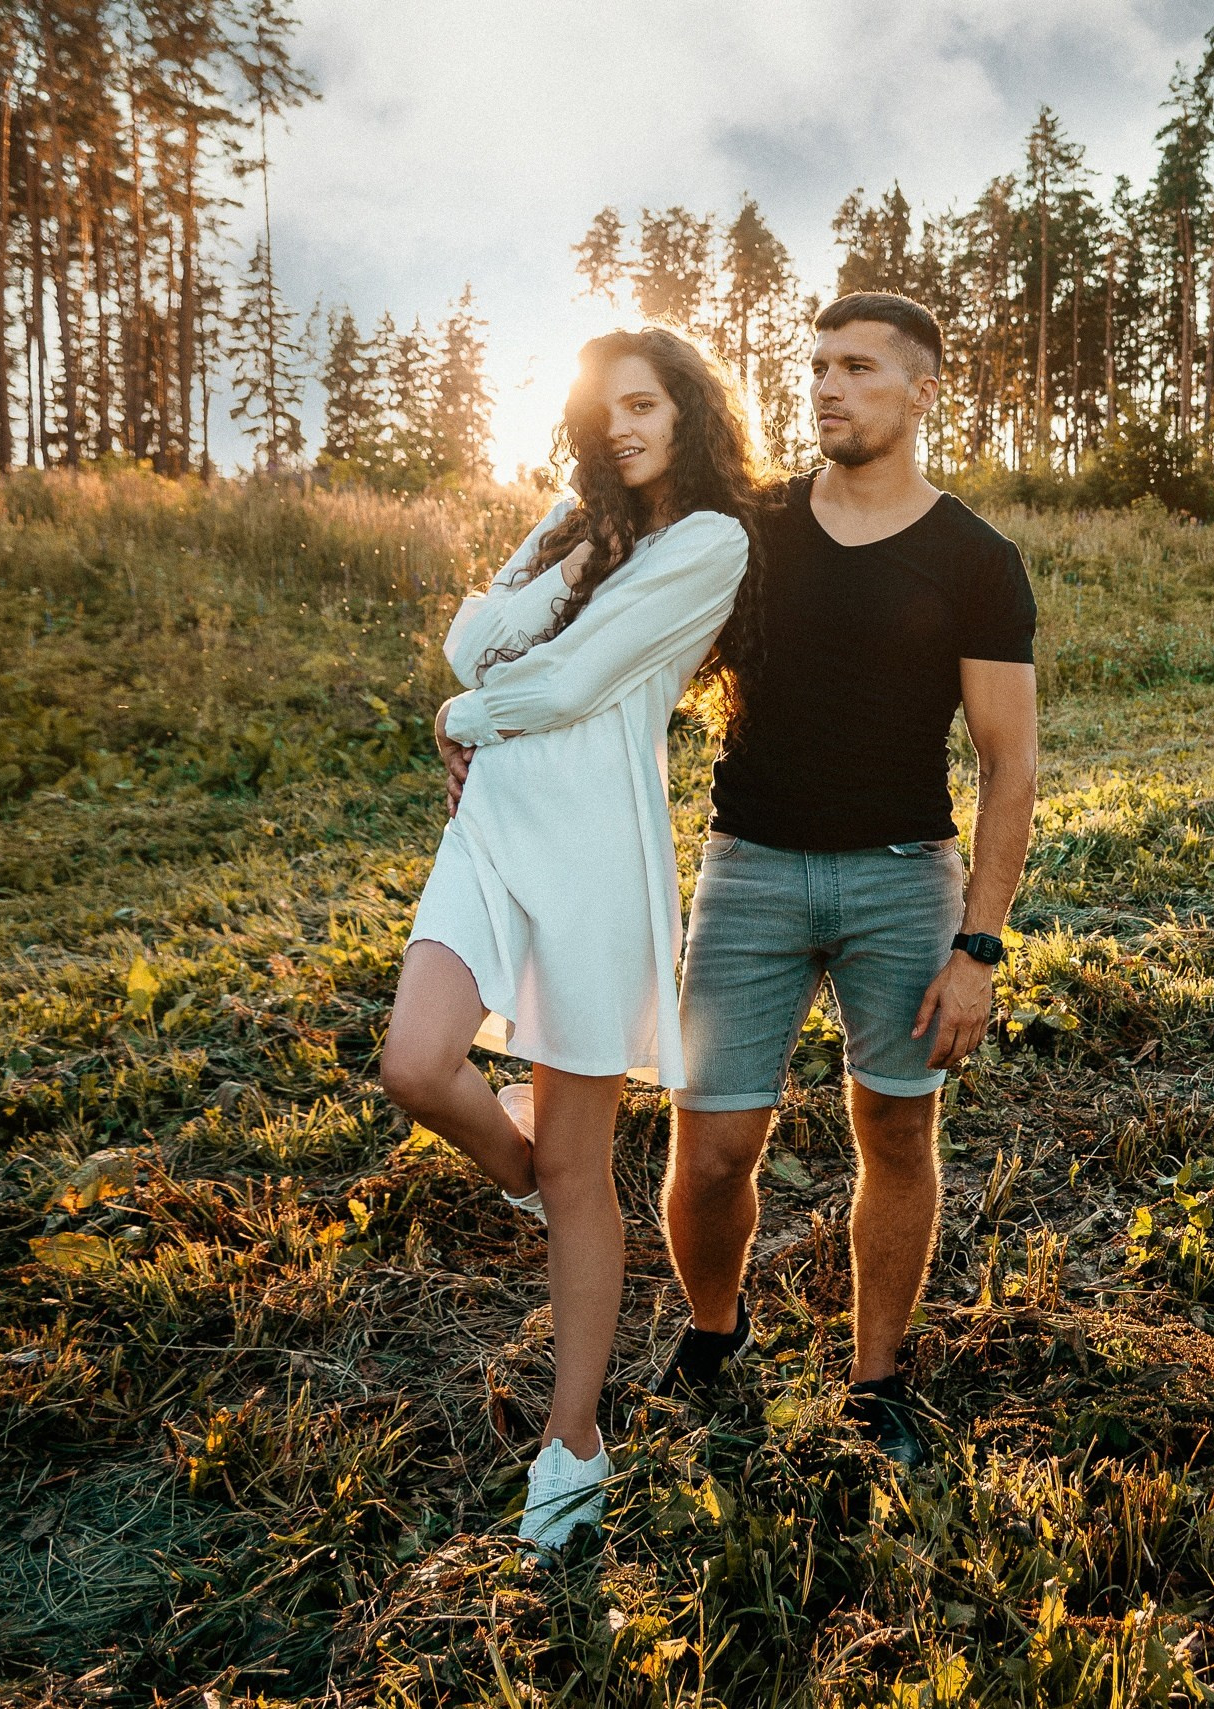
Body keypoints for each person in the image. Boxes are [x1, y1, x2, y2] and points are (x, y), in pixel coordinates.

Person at [379, 327, 761, 1552]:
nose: (624, 431)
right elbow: (470, 634)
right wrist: (578, 547)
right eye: (605, 415)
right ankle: (523, 1171)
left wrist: (462, 707)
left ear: (686, 412)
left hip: (596, 852)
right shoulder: (571, 516)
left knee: (582, 1165)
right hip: (491, 825)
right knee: (416, 1063)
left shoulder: (711, 541)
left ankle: (574, 1442)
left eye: (645, 406)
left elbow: (566, 681)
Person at [658, 292, 1040, 1467]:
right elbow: (629, 640)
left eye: (859, 367)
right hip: (748, 873)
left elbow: (1008, 761)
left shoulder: (976, 560)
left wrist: (977, 946)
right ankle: (714, 1336)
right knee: (712, 1148)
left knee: (895, 1132)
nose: (826, 386)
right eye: (817, 365)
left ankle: (877, 1379)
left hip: (902, 883)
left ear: (924, 391)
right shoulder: (749, 529)